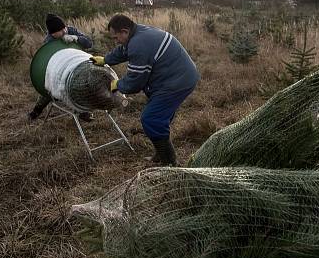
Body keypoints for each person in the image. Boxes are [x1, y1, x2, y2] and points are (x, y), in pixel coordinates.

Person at [90, 13, 199, 165]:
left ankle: (170, 163)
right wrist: (106, 60)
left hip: (177, 81)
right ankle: (161, 155)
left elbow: (135, 81)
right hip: (178, 75)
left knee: (151, 118)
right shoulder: (138, 33)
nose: (115, 42)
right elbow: (124, 50)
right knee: (158, 118)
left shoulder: (138, 44)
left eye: (116, 38)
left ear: (124, 31)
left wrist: (118, 84)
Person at [28, 13, 94, 121]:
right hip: (58, 69)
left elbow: (89, 43)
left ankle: (83, 112)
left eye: (64, 28)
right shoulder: (49, 42)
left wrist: (76, 38)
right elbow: (47, 63)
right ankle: (36, 111)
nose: (64, 31)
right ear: (53, 33)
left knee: (80, 85)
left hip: (76, 65)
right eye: (61, 31)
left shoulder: (71, 30)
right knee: (48, 87)